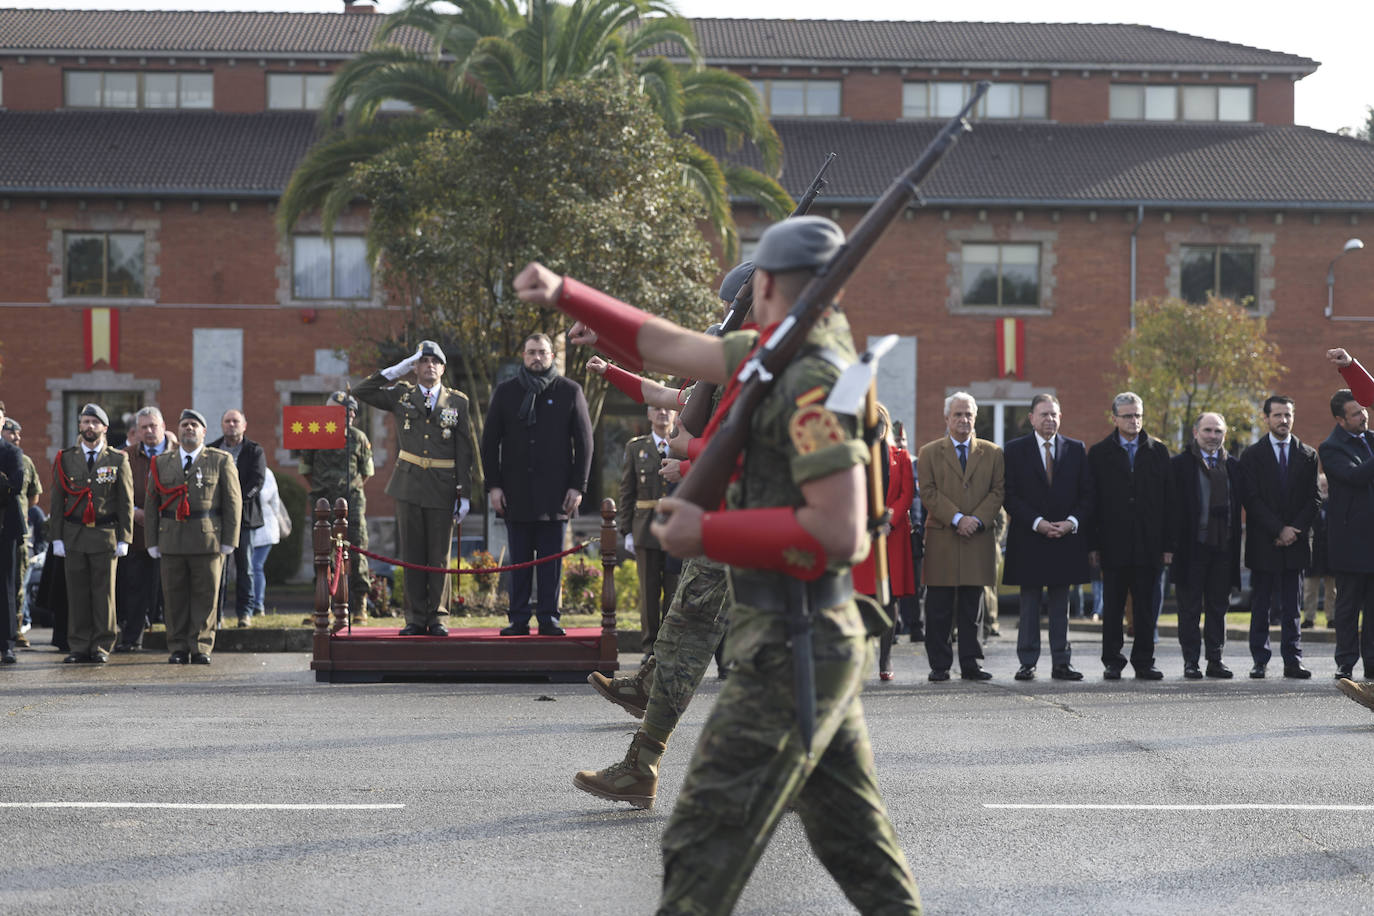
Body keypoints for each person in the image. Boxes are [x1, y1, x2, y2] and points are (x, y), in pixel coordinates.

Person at [516, 215, 920, 913]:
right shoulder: (770, 351)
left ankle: (643, 762)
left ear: (762, 283)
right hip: (809, 647)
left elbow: (840, 528)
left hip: (793, 650)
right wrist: (565, 294)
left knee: (698, 850)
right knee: (862, 858)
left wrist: (713, 532)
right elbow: (668, 344)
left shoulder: (815, 380)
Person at [354, 341, 481, 637]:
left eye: (435, 361)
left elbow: (464, 450)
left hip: (443, 486)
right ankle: (414, 617)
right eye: (423, 361)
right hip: (409, 485)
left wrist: (464, 493)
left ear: (443, 368)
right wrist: (395, 371)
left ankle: (437, 616)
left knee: (438, 556)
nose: (430, 366)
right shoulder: (402, 395)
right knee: (411, 554)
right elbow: (361, 392)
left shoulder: (457, 401)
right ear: (415, 367)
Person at [481, 333, 593, 637]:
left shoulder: (570, 391)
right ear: (523, 355)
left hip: (556, 495)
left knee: (550, 562)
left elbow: (584, 444)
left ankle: (548, 617)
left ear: (552, 356)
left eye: (542, 352)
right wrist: (493, 486)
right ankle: (517, 618)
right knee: (519, 561)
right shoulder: (506, 392)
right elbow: (490, 444)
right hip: (515, 493)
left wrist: (578, 486)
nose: (537, 358)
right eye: (531, 352)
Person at [1003, 393, 1093, 681]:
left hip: (1065, 539)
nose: (1049, 419)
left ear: (1060, 417)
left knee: (1060, 605)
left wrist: (1071, 523)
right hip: (1030, 538)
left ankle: (1061, 662)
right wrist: (1038, 523)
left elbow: (1087, 495)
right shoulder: (1015, 450)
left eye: (1054, 414)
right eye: (1044, 414)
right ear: (1031, 418)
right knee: (1029, 604)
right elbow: (1010, 496)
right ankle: (1027, 661)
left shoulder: (1076, 449)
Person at [918, 392, 1005, 682]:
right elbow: (928, 492)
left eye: (968, 414)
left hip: (977, 538)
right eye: (957, 414)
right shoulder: (930, 452)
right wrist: (957, 518)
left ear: (975, 417)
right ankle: (939, 665)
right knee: (939, 606)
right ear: (946, 418)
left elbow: (998, 492)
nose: (963, 419)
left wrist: (977, 520)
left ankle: (971, 663)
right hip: (943, 535)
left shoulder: (993, 453)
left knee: (973, 606)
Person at [1087, 392, 1174, 680]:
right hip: (1113, 545)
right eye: (1127, 416)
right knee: (1112, 607)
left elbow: (1168, 503)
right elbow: (1092, 502)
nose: (1133, 421)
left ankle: (1144, 661)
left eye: (1137, 415)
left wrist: (1168, 545)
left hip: (1150, 545)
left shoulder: (1158, 451)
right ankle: (1113, 660)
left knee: (1146, 608)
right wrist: (1094, 544)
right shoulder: (1099, 454)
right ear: (1114, 418)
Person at [146, 409, 242, 665]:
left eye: (194, 425)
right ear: (178, 431)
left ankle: (201, 646)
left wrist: (229, 539)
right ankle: (177, 646)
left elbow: (233, 502)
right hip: (171, 537)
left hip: (207, 538)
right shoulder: (162, 462)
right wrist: (152, 541)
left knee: (205, 595)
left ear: (204, 432)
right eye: (185, 425)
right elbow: (152, 502)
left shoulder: (220, 460)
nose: (189, 429)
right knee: (174, 596)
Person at [1238, 396, 1320, 679]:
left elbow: (1314, 499)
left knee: (1292, 607)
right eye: (1277, 415)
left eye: (1288, 415)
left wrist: (1293, 529)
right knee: (1260, 604)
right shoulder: (1251, 455)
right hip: (1265, 542)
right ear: (1266, 418)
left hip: (1295, 542)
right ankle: (1259, 659)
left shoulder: (1308, 454)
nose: (1283, 420)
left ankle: (1292, 660)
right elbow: (1251, 499)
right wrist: (1278, 530)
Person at [50, 403, 134, 663]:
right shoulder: (66, 457)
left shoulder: (117, 459)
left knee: (104, 594)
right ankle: (78, 645)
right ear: (80, 426)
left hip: (104, 533)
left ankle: (101, 644)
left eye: (94, 422)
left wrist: (125, 538)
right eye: (85, 422)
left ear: (104, 428)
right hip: (74, 533)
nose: (89, 427)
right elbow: (57, 499)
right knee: (77, 593)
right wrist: (57, 537)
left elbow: (125, 502)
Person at [1168, 412, 1242, 679]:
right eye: (1208, 431)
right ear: (1195, 433)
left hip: (1224, 547)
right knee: (1188, 608)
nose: (1213, 436)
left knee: (1218, 607)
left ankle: (1215, 659)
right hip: (1191, 547)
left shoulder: (1233, 465)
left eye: (1218, 431)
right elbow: (1171, 509)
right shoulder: (1179, 465)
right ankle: (1191, 661)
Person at [1318, 348, 1374, 682]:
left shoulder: (1371, 439)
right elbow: (1354, 477)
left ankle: (1372, 662)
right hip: (1351, 543)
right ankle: (1345, 662)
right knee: (1348, 606)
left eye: (1364, 412)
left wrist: (1352, 367)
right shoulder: (1331, 447)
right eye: (1356, 415)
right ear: (1340, 419)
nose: (1364, 418)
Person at [851, 404, 916, 680]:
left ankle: (886, 656)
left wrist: (890, 521)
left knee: (889, 598)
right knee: (860, 598)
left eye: (879, 422)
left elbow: (906, 492)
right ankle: (860, 656)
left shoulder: (899, 456)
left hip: (892, 536)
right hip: (862, 536)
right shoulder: (853, 456)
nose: (875, 427)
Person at [299, 391, 375, 621]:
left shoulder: (359, 437)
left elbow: (367, 473)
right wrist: (323, 490)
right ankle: (325, 606)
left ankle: (360, 606)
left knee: (357, 549)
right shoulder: (315, 433)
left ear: (351, 414)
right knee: (323, 553)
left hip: (352, 503)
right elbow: (306, 470)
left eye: (340, 410)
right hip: (323, 503)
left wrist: (350, 490)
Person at [618, 402, 680, 656]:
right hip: (645, 527)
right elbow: (626, 490)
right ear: (649, 414)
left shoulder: (683, 446)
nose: (663, 412)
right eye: (657, 408)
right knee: (649, 591)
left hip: (676, 528)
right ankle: (649, 648)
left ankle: (670, 647)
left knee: (675, 592)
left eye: (667, 408)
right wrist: (626, 530)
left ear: (675, 413)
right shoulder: (636, 447)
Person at [115, 407, 177, 651]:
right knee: (135, 587)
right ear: (137, 431)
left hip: (173, 530)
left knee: (173, 588)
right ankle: (132, 639)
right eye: (144, 427)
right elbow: (117, 493)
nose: (150, 431)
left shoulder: (179, 453)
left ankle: (178, 641)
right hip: (138, 531)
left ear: (163, 426)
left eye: (154, 426)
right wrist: (133, 512)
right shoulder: (125, 456)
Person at [209, 408, 266, 628]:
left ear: (244, 425)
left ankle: (245, 613)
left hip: (245, 519)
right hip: (217, 519)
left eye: (235, 421)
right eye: (227, 421)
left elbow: (257, 482)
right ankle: (217, 614)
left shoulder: (254, 451)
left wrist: (236, 502)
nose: (231, 425)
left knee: (246, 567)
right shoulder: (212, 450)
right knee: (218, 569)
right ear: (222, 425)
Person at [1, 415, 41, 648]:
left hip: (9, 527)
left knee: (14, 584)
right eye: (12, 432)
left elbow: (25, 491)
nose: (16, 437)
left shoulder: (18, 457)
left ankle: (12, 632)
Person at [891, 420, 925, 643]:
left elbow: (921, 499)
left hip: (915, 530)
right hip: (894, 529)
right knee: (893, 582)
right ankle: (893, 627)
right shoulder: (888, 462)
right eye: (897, 440)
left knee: (916, 585)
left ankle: (915, 626)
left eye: (903, 440)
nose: (901, 444)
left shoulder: (917, 464)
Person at [0, 413, 23, 665]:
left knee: (5, 586)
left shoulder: (11, 452)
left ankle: (6, 644)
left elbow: (14, 485)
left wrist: (5, 482)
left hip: (4, 527)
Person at [248, 468, 286, 619]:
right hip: (248, 528)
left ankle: (258, 605)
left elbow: (267, 497)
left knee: (255, 565)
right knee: (248, 567)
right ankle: (249, 604)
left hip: (265, 528)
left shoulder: (265, 473)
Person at [1300, 473, 1335, 629]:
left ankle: (1331, 618)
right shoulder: (1311, 504)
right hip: (1313, 553)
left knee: (1331, 590)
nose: (1324, 488)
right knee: (1309, 589)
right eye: (1322, 485)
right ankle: (1309, 617)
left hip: (1330, 553)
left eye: (1326, 485)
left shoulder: (1334, 505)